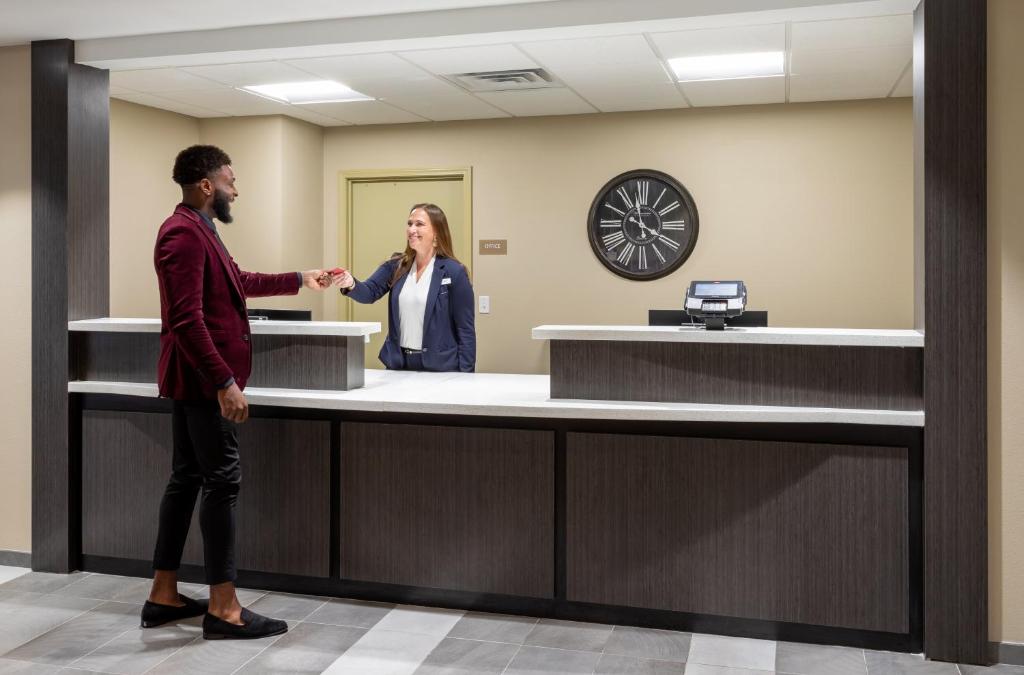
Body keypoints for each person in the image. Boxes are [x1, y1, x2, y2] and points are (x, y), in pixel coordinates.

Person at [144, 145, 335, 640]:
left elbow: (237, 282)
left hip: (195, 384)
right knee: (221, 481)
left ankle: (163, 595)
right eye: (230, 179)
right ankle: (224, 607)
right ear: (207, 184)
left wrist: (298, 278)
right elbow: (187, 321)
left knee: (187, 478)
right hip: (202, 386)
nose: (236, 187)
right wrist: (224, 381)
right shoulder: (183, 234)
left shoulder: (200, 231)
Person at [336, 203, 476, 372]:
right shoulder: (397, 265)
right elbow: (369, 292)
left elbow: (465, 330)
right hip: (399, 364)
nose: (411, 229)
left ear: (437, 232)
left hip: (440, 367)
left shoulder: (454, 271)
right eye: (409, 224)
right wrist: (350, 283)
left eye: (419, 224)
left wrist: (467, 376)